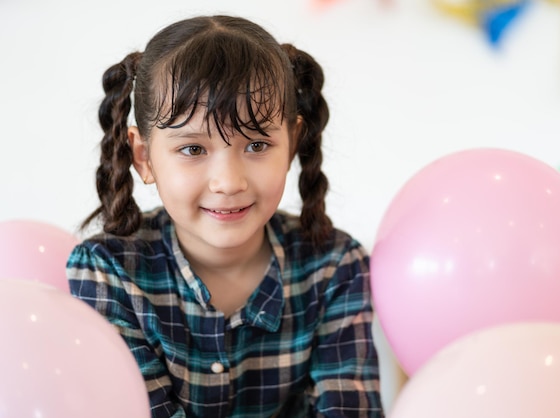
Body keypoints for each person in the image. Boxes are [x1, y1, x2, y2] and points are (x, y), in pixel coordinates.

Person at [66, 14, 384, 418]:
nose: (228, 182)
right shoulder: (107, 272)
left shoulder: (336, 266)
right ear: (143, 157)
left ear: (292, 144)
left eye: (255, 144)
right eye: (193, 149)